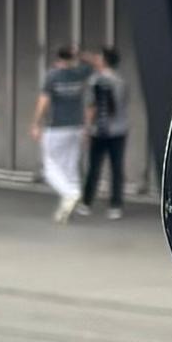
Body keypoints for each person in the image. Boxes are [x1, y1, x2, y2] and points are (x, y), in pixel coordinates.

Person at [29, 45, 90, 222]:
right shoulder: (80, 73)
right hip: (76, 127)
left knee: (49, 167)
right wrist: (80, 54)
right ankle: (69, 202)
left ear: (58, 58)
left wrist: (35, 123)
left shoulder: (53, 76)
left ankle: (71, 193)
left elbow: (44, 101)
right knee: (71, 167)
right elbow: (95, 63)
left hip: (56, 127)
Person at [78, 44, 130, 218]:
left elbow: (91, 107)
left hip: (99, 130)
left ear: (104, 61)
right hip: (119, 130)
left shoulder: (95, 81)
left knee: (94, 167)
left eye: (99, 57)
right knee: (116, 168)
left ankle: (86, 202)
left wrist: (86, 128)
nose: (96, 59)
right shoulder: (120, 81)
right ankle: (115, 205)